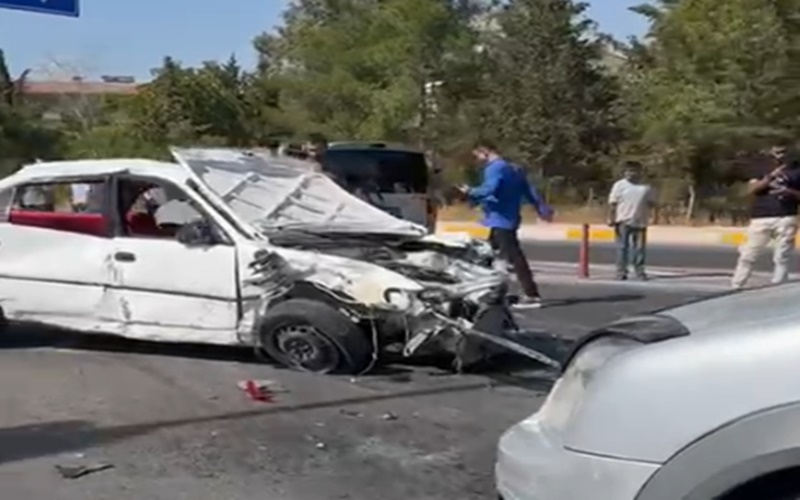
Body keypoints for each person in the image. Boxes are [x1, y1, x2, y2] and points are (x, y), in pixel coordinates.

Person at [459, 140, 554, 309]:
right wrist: (542, 209)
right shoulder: (514, 168)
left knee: (514, 257)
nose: (478, 159)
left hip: (501, 219)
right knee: (492, 256)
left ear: (485, 151)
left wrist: (470, 191)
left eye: (478, 155)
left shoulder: (494, 168)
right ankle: (494, 291)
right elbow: (529, 191)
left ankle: (531, 294)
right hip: (509, 217)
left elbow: (490, 189)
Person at [731, 145, 800, 289]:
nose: (779, 155)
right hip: (761, 217)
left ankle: (778, 286)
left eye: (783, 152)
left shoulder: (796, 170)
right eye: (776, 152)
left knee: (782, 256)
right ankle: (737, 284)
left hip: (786, 216)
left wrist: (788, 191)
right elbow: (752, 189)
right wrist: (771, 176)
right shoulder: (761, 168)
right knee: (748, 254)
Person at [607, 161, 655, 281]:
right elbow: (613, 203)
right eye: (628, 171)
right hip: (623, 221)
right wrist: (611, 217)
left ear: (639, 172)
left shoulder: (646, 187)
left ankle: (639, 272)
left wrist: (653, 216)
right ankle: (621, 272)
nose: (630, 174)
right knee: (622, 248)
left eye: (633, 171)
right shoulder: (619, 185)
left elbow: (651, 203)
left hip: (640, 222)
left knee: (639, 248)